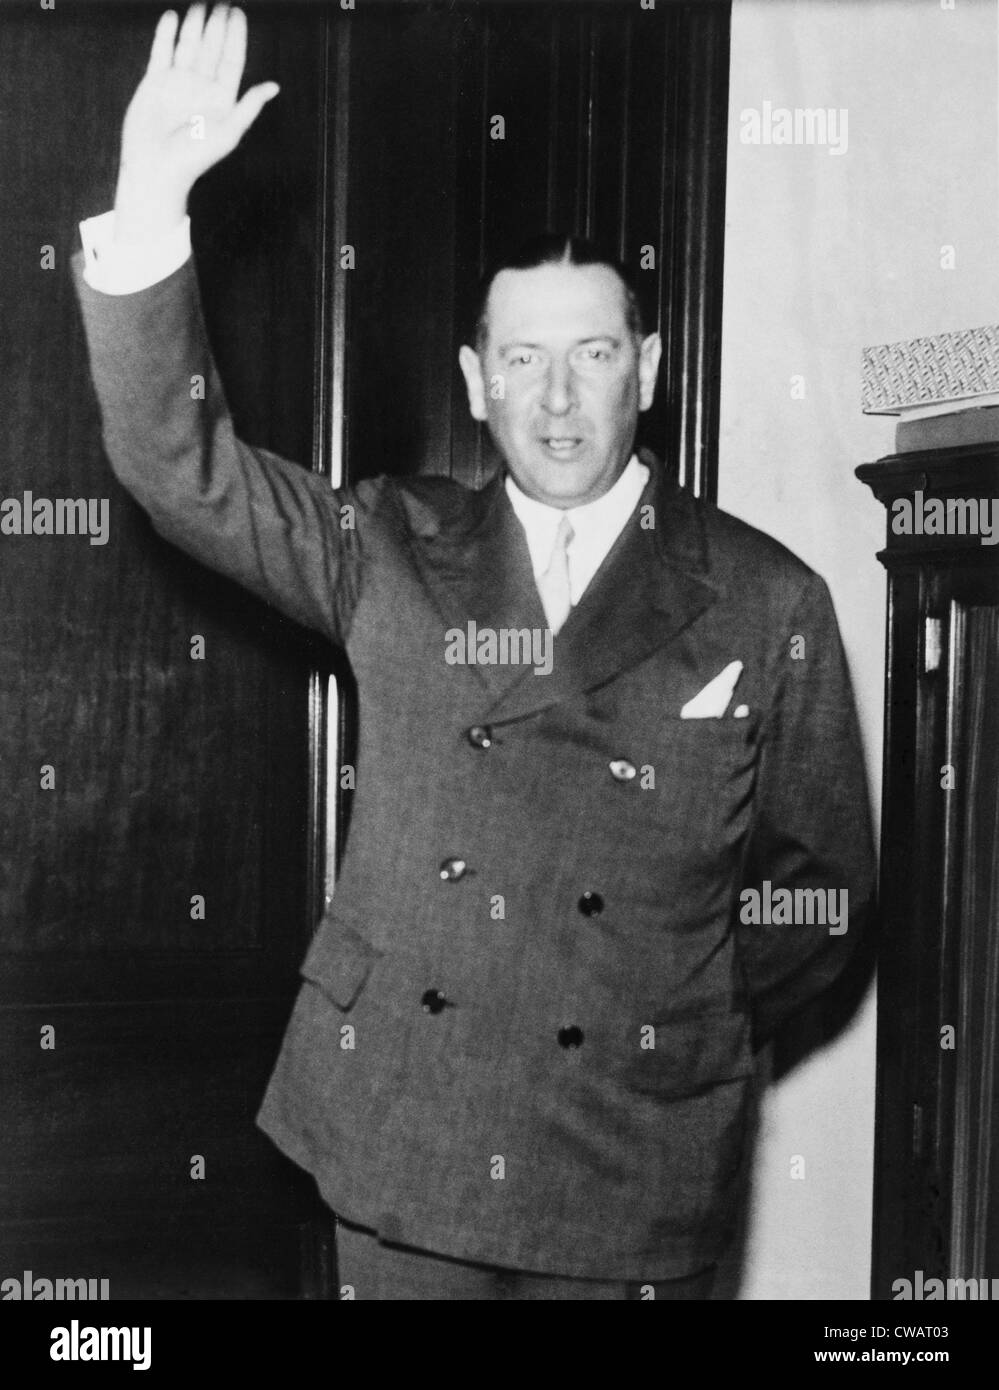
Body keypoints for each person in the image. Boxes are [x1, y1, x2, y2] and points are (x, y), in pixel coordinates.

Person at [73, 3, 876, 1300]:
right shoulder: (384, 542)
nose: (558, 398)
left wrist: (668, 1004)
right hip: (408, 1130)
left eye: (594, 353)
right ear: (474, 378)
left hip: (634, 1153)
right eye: (523, 359)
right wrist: (152, 198)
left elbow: (822, 899)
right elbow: (183, 472)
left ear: (650, 367)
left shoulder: (765, 597)